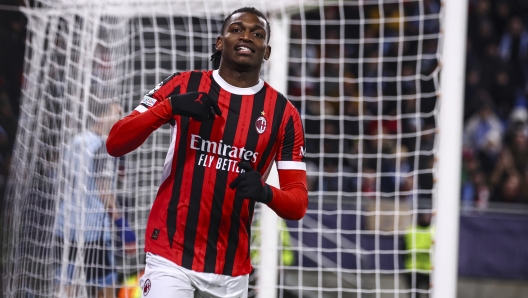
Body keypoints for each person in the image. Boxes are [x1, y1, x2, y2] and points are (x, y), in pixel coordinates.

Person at [105, 6, 308, 298]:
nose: (247, 36)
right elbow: (115, 142)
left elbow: (298, 203)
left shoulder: (284, 115)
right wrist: (170, 107)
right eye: (237, 29)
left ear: (267, 51)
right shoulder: (183, 85)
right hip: (170, 254)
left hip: (230, 268)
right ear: (219, 41)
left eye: (257, 33)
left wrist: (265, 192)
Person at [55, 102, 137, 298]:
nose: (121, 118)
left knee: (67, 283)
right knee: (107, 285)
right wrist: (122, 224)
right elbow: (103, 191)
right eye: (116, 114)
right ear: (102, 117)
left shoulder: (76, 141)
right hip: (92, 230)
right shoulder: (104, 145)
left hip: (65, 224)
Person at [403, 209, 434, 298]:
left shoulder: (434, 230)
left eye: (429, 216)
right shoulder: (410, 231)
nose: (427, 218)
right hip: (413, 268)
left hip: (428, 269)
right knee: (414, 294)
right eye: (425, 215)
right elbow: (403, 248)